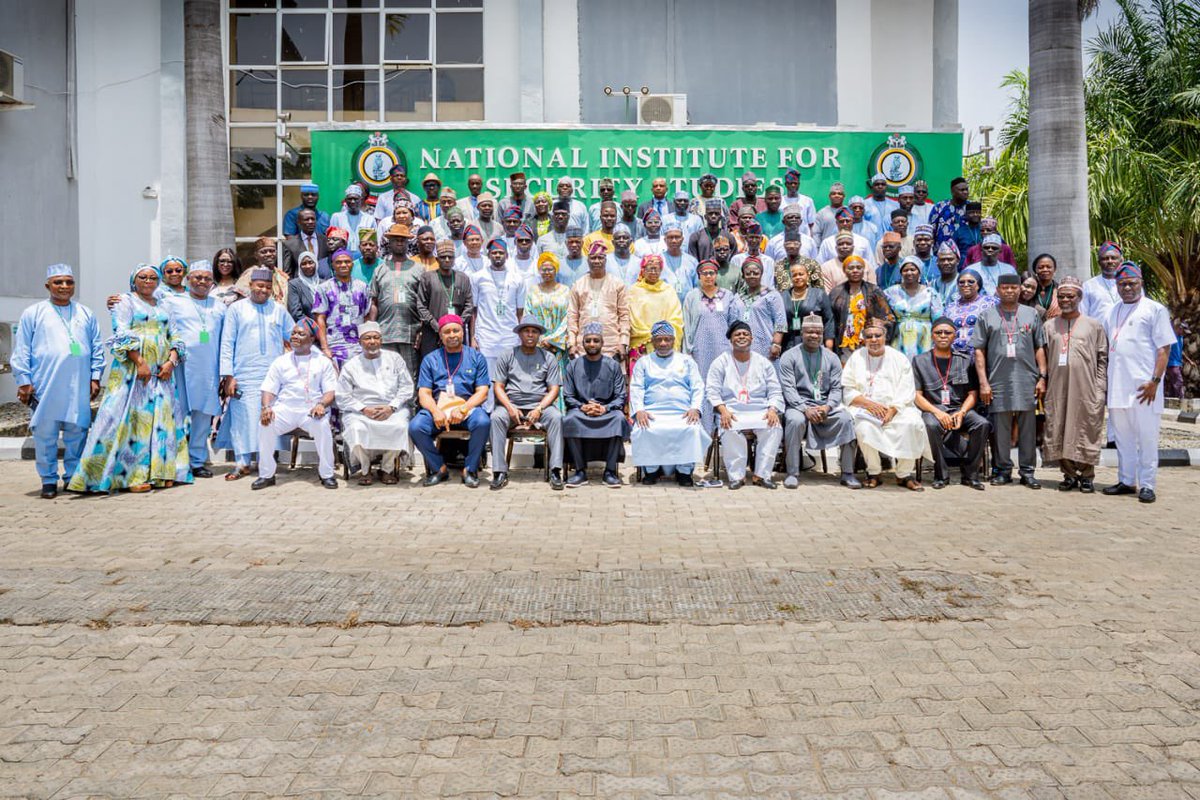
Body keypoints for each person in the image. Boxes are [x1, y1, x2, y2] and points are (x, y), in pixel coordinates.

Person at [68, 264, 191, 494]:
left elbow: (175, 335)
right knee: (131, 420)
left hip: (162, 373)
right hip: (133, 373)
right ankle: (130, 476)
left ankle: (160, 472)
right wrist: (140, 362)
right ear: (134, 280)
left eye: (153, 277)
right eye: (142, 277)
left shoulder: (164, 304)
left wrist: (170, 362)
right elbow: (121, 332)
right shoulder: (125, 302)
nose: (148, 281)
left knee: (160, 420)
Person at [12, 264, 104, 498]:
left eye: (69, 282)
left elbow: (97, 348)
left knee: (78, 433)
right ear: (48, 285)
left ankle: (74, 477)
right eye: (58, 282)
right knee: (45, 435)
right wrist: (24, 380)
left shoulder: (85, 313)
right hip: (46, 384)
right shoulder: (34, 313)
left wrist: (95, 377)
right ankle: (49, 480)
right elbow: (22, 349)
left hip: (78, 385)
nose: (64, 287)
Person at [1102, 262, 1176, 503]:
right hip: (1117, 387)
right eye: (1122, 284)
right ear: (1117, 285)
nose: (1127, 288)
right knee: (1122, 439)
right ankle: (1126, 480)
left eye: (1132, 283)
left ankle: (1147, 484)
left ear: (1141, 283)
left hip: (1145, 388)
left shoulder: (1155, 310)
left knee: (1146, 438)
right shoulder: (1112, 311)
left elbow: (1164, 348)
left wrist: (1155, 380)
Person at [219, 267, 296, 480]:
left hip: (272, 373)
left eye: (267, 287)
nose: (263, 290)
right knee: (242, 417)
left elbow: (294, 335)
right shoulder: (236, 309)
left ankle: (265, 461)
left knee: (268, 417)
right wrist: (228, 375)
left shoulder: (278, 310)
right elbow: (227, 343)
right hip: (243, 372)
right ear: (250, 286)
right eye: (259, 285)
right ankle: (242, 463)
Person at [973, 273, 1048, 488]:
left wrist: (1042, 377)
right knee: (1002, 428)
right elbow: (979, 351)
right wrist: (983, 383)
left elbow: (1039, 347)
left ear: (1019, 290)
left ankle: (1027, 471)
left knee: (1028, 427)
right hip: (998, 380)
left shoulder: (1030, 314)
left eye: (1013, 288)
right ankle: (1003, 470)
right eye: (1004, 287)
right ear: (997, 290)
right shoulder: (986, 316)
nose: (1009, 291)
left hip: (1027, 379)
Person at [250, 318, 339, 491]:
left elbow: (331, 391)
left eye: (301, 333)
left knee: (322, 426)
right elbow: (268, 388)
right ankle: (267, 475)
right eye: (293, 333)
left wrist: (321, 404)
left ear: (312, 339)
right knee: (265, 424)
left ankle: (327, 474)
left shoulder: (322, 361)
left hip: (311, 410)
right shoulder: (281, 361)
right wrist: (266, 407)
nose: (295, 337)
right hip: (285, 409)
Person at [842, 320, 931, 491]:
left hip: (897, 408)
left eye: (878, 335)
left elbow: (907, 390)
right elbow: (848, 390)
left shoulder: (899, 358)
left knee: (913, 424)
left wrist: (892, 410)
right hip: (865, 408)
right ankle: (874, 472)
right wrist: (869, 405)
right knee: (863, 428)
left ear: (885, 337)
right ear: (863, 339)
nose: (874, 340)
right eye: (869, 336)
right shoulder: (856, 358)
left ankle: (904, 474)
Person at [1039, 277, 1108, 493]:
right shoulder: (1049, 326)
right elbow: (1043, 356)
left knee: (1086, 428)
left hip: (1087, 387)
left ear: (1079, 298)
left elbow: (1102, 358)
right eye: (1061, 296)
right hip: (1057, 387)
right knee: (1058, 427)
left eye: (1070, 296)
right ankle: (1068, 474)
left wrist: (1100, 387)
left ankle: (1087, 476)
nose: (1066, 300)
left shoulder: (1093, 325)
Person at [778, 313, 860, 489]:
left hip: (825, 405)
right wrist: (804, 408)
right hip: (798, 405)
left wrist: (828, 407)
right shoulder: (789, 356)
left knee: (846, 419)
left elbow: (837, 389)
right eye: (809, 332)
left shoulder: (832, 358)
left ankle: (847, 473)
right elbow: (788, 389)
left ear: (822, 334)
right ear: (802, 332)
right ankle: (792, 473)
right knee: (794, 420)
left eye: (818, 332)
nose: (814, 335)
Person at [409, 314, 491, 487]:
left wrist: (463, 409)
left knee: (483, 421)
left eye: (456, 330)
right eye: (447, 332)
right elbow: (424, 393)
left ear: (463, 332)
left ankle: (470, 468)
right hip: (438, 410)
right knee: (416, 427)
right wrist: (435, 411)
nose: (452, 335)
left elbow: (482, 392)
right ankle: (439, 468)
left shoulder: (476, 357)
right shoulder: (430, 359)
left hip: (467, 410)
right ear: (440, 335)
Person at [630, 322, 711, 486]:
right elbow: (636, 388)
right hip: (652, 413)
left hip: (682, 412)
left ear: (674, 340)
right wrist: (639, 410)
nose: (663, 343)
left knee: (691, 429)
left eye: (667, 339)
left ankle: (684, 472)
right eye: (659, 340)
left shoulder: (686, 361)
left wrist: (695, 408)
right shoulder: (644, 362)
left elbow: (698, 386)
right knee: (645, 429)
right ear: (652, 341)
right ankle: (651, 471)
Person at [912, 318, 989, 490]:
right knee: (931, 425)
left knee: (982, 424)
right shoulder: (920, 361)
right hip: (933, 409)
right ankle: (941, 475)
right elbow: (917, 396)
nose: (943, 336)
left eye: (947, 332)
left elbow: (972, 394)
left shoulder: (964, 360)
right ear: (932, 336)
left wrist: (961, 412)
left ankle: (970, 475)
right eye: (938, 332)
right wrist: (938, 413)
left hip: (958, 409)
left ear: (955, 336)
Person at [705, 321, 785, 490]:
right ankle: (737, 476)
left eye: (745, 334)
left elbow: (775, 390)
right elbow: (712, 390)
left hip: (760, 410)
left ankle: (761, 475)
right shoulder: (721, 362)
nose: (742, 337)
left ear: (752, 338)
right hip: (732, 411)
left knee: (775, 426)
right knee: (729, 426)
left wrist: (772, 409)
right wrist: (722, 409)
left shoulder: (763, 362)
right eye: (737, 335)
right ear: (731, 340)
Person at [488, 319, 565, 491]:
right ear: (519, 333)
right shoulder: (507, 355)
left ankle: (555, 470)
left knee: (557, 417)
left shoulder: (548, 358)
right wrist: (509, 407)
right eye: (526, 331)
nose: (530, 334)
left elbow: (553, 389)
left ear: (539, 335)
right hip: (512, 404)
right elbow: (498, 387)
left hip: (539, 405)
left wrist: (539, 408)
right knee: (496, 418)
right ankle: (499, 471)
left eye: (534, 331)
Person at [335, 322, 413, 486]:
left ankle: (387, 468)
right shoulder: (351, 366)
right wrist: (364, 409)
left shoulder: (395, 359)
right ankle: (365, 468)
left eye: (376, 337)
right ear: (360, 342)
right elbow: (342, 396)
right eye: (367, 338)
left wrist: (391, 407)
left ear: (381, 340)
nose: (372, 341)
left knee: (400, 426)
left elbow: (406, 387)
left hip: (392, 409)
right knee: (356, 428)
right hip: (361, 412)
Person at [169, 260, 226, 479]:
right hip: (180, 367)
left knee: (203, 415)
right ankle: (175, 462)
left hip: (208, 369)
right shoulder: (173, 302)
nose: (202, 282)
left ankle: (197, 461)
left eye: (207, 279)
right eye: (197, 278)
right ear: (187, 279)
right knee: (177, 414)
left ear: (212, 282)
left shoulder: (219, 306)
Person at [562, 324, 628, 488]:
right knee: (570, 419)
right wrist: (583, 407)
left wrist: (605, 408)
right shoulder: (573, 366)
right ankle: (580, 471)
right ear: (582, 343)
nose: (592, 344)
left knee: (619, 418)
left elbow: (620, 396)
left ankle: (610, 472)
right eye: (588, 341)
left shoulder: (612, 365)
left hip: (606, 411)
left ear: (602, 342)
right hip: (581, 411)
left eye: (596, 341)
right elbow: (568, 396)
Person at [682, 259, 745, 430]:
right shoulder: (692, 296)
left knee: (723, 385)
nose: (708, 276)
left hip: (723, 348)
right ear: (699, 276)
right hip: (700, 350)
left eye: (711, 273)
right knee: (702, 386)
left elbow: (735, 323)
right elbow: (686, 325)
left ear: (716, 275)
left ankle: (725, 427)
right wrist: (688, 351)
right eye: (704, 273)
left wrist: (735, 349)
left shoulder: (728, 296)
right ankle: (705, 430)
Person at [470, 238, 527, 410]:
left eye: (500, 253)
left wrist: (520, 337)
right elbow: (474, 310)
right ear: (488, 255)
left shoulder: (517, 279)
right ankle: (488, 415)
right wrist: (473, 336)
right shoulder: (478, 277)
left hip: (509, 337)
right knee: (486, 380)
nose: (497, 255)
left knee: (509, 379)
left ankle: (509, 414)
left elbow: (520, 312)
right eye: (494, 252)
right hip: (486, 336)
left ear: (507, 255)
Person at [370, 223, 424, 380]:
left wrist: (421, 331)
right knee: (387, 375)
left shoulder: (418, 269)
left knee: (409, 375)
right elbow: (374, 302)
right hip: (385, 332)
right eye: (395, 239)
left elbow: (423, 304)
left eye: (403, 239)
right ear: (389, 242)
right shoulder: (380, 269)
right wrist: (373, 329)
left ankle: (410, 405)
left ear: (408, 243)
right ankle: (389, 405)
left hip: (410, 333)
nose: (399, 242)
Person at [522, 252, 571, 409]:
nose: (547, 272)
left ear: (556, 270)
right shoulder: (532, 291)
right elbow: (527, 315)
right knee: (537, 378)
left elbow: (567, 317)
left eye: (550, 269)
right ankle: (535, 414)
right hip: (537, 346)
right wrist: (537, 340)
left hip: (557, 347)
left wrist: (551, 341)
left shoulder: (565, 291)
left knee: (556, 380)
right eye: (543, 269)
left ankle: (558, 415)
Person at [567, 241, 630, 360]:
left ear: (605, 260)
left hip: (612, 345)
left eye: (600, 258)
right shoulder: (578, 285)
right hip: (584, 345)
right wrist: (572, 343)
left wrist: (623, 342)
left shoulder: (617, 284)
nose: (596, 261)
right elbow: (572, 316)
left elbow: (624, 315)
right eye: (593, 258)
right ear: (588, 260)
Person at [415, 240, 475, 363]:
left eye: (450, 257)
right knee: (432, 366)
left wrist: (456, 325)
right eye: (443, 257)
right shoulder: (428, 278)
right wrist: (437, 327)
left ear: (454, 259)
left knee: (457, 367)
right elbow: (421, 306)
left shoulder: (463, 278)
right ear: (437, 259)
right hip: (432, 334)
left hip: (456, 335)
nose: (447, 260)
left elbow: (469, 306)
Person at [311, 249, 372, 368]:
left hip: (358, 347)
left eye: (347, 262)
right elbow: (320, 319)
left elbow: (367, 316)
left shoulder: (362, 287)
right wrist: (325, 347)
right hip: (334, 346)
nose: (343, 265)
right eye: (338, 262)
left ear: (352, 264)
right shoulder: (324, 288)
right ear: (332, 265)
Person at [628, 255, 685, 374]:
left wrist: (661, 335)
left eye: (657, 269)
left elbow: (676, 318)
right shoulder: (634, 291)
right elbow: (632, 318)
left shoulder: (668, 290)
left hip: (664, 343)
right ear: (643, 270)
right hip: (641, 345)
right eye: (650, 268)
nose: (653, 272)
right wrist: (650, 336)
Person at [830, 255, 894, 361]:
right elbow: (830, 320)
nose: (855, 270)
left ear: (864, 270)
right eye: (851, 268)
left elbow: (889, 318)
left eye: (859, 268)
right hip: (844, 344)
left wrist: (877, 325)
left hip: (868, 342)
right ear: (844, 271)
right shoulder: (836, 292)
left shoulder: (874, 291)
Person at [885, 257, 944, 358]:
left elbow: (938, 320)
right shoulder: (890, 292)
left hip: (925, 339)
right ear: (901, 273)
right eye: (905, 270)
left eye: (913, 269)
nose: (909, 273)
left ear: (919, 272)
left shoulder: (930, 293)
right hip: (898, 339)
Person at [736, 258, 786, 362]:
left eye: (756, 273)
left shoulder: (772, 295)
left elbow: (780, 322)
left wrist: (776, 344)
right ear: (743, 275)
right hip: (741, 347)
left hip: (765, 346)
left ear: (761, 274)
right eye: (748, 273)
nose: (752, 276)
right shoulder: (738, 296)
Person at [780, 261, 834, 352]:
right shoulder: (783, 296)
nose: (798, 277)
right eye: (794, 275)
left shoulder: (819, 294)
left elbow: (829, 320)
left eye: (801, 274)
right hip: (788, 343)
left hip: (814, 341)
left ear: (807, 276)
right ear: (790, 278)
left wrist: (829, 344)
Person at [944, 269, 997, 357]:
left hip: (981, 355)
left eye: (971, 282)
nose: (965, 285)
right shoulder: (950, 307)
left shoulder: (990, 303)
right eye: (961, 282)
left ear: (978, 285)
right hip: (955, 356)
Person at [282, 208, 331, 277]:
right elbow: (287, 271)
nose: (310, 222)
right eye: (306, 219)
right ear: (299, 223)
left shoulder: (325, 240)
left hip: (322, 283)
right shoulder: (290, 244)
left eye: (313, 219)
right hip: (300, 285)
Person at [1082, 241, 1124, 320]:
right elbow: (1083, 314)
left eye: (1114, 258)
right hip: (1098, 331)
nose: (1110, 261)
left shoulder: (1131, 284)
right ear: (1099, 262)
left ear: (1121, 261)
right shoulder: (1088, 285)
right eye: (1105, 258)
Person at [329, 184, 374, 255]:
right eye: (350, 199)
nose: (352, 201)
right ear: (346, 200)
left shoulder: (369, 219)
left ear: (361, 199)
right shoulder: (337, 217)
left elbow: (371, 244)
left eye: (355, 199)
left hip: (362, 259)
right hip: (342, 259)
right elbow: (333, 242)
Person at [930, 177, 970, 248]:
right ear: (953, 191)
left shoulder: (971, 208)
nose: (965, 192)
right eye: (962, 190)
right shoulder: (940, 207)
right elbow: (931, 230)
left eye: (966, 189)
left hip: (965, 251)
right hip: (942, 252)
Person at [780, 169, 817, 236]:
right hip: (785, 239)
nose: (793, 185)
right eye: (790, 183)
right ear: (786, 184)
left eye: (795, 183)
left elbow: (811, 224)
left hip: (804, 239)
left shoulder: (807, 201)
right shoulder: (780, 201)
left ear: (799, 184)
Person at [929, 242, 961, 307]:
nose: (946, 263)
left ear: (957, 261)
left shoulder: (965, 283)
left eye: (950, 259)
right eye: (942, 260)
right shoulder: (932, 285)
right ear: (937, 262)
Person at [1030, 253, 1061, 318]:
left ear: (1054, 269)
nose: (1045, 269)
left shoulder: (1060, 290)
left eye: (1048, 267)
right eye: (1041, 267)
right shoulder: (1029, 289)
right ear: (1035, 270)